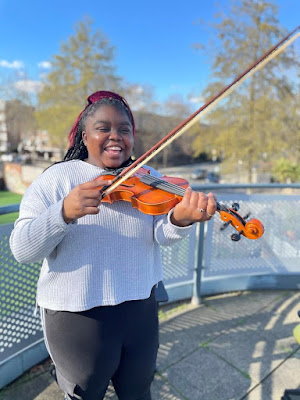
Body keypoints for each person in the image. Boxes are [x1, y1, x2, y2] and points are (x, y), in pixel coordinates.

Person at [9, 90, 217, 400]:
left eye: (124, 129)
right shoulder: (58, 179)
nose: (115, 136)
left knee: (138, 391)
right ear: (84, 135)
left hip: (140, 308)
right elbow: (22, 248)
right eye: (103, 127)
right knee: (84, 395)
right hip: (78, 316)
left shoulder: (147, 178)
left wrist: (179, 220)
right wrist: (63, 212)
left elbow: (161, 233)